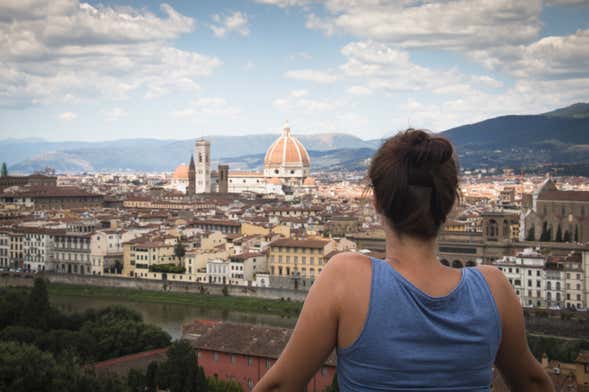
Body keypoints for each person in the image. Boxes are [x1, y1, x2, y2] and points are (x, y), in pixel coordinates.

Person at [254, 129, 553, 391]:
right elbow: (534, 383)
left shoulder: (347, 278)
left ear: (376, 203)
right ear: (451, 205)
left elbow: (280, 386)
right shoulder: (494, 289)